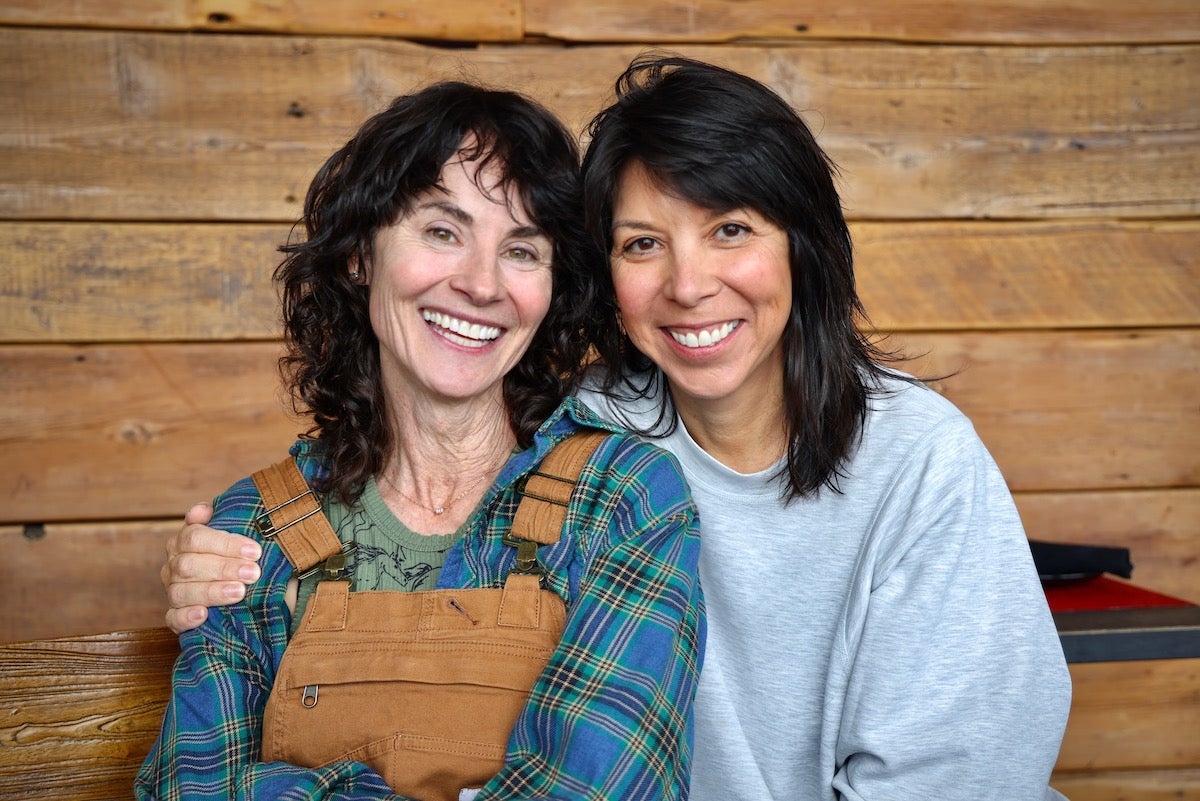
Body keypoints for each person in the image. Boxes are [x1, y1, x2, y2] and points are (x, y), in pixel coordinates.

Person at [162, 56, 1072, 800]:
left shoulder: (897, 461)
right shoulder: (578, 428)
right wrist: (220, 548)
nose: (687, 284)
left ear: (804, 244)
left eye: (731, 229)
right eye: (642, 243)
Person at [136, 79, 705, 801]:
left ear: (552, 289)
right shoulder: (252, 531)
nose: (481, 283)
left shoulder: (624, 499)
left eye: (522, 251)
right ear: (360, 256)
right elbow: (194, 785)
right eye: (443, 231)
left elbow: (603, 788)